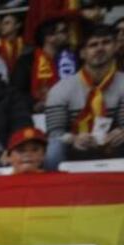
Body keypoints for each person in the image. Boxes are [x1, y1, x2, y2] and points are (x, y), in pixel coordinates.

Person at [43, 24, 124, 169]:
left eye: (106, 42)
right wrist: (74, 139)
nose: (100, 48)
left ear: (116, 46)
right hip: (75, 148)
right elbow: (55, 133)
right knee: (54, 148)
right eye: (93, 45)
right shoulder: (61, 89)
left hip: (115, 146)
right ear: (82, 53)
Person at [11, 18, 72, 112]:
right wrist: (34, 104)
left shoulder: (71, 59)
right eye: (63, 31)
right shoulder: (26, 61)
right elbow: (16, 92)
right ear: (49, 37)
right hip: (37, 116)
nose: (68, 34)